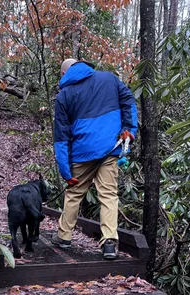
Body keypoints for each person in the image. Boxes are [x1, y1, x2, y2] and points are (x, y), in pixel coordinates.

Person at [52, 59, 137, 260]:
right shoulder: (109, 78)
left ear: (65, 73)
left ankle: (64, 236)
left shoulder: (63, 95)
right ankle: (109, 242)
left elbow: (61, 138)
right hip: (110, 148)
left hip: (81, 153)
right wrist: (129, 130)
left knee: (73, 194)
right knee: (108, 195)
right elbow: (129, 101)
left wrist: (66, 172)